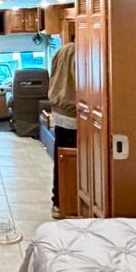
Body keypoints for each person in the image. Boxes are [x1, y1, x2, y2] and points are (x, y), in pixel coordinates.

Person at [48, 42, 77, 219]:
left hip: (60, 113)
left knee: (61, 162)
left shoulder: (60, 51)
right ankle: (70, 204)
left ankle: (59, 202)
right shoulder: (79, 53)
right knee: (71, 163)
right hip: (75, 116)